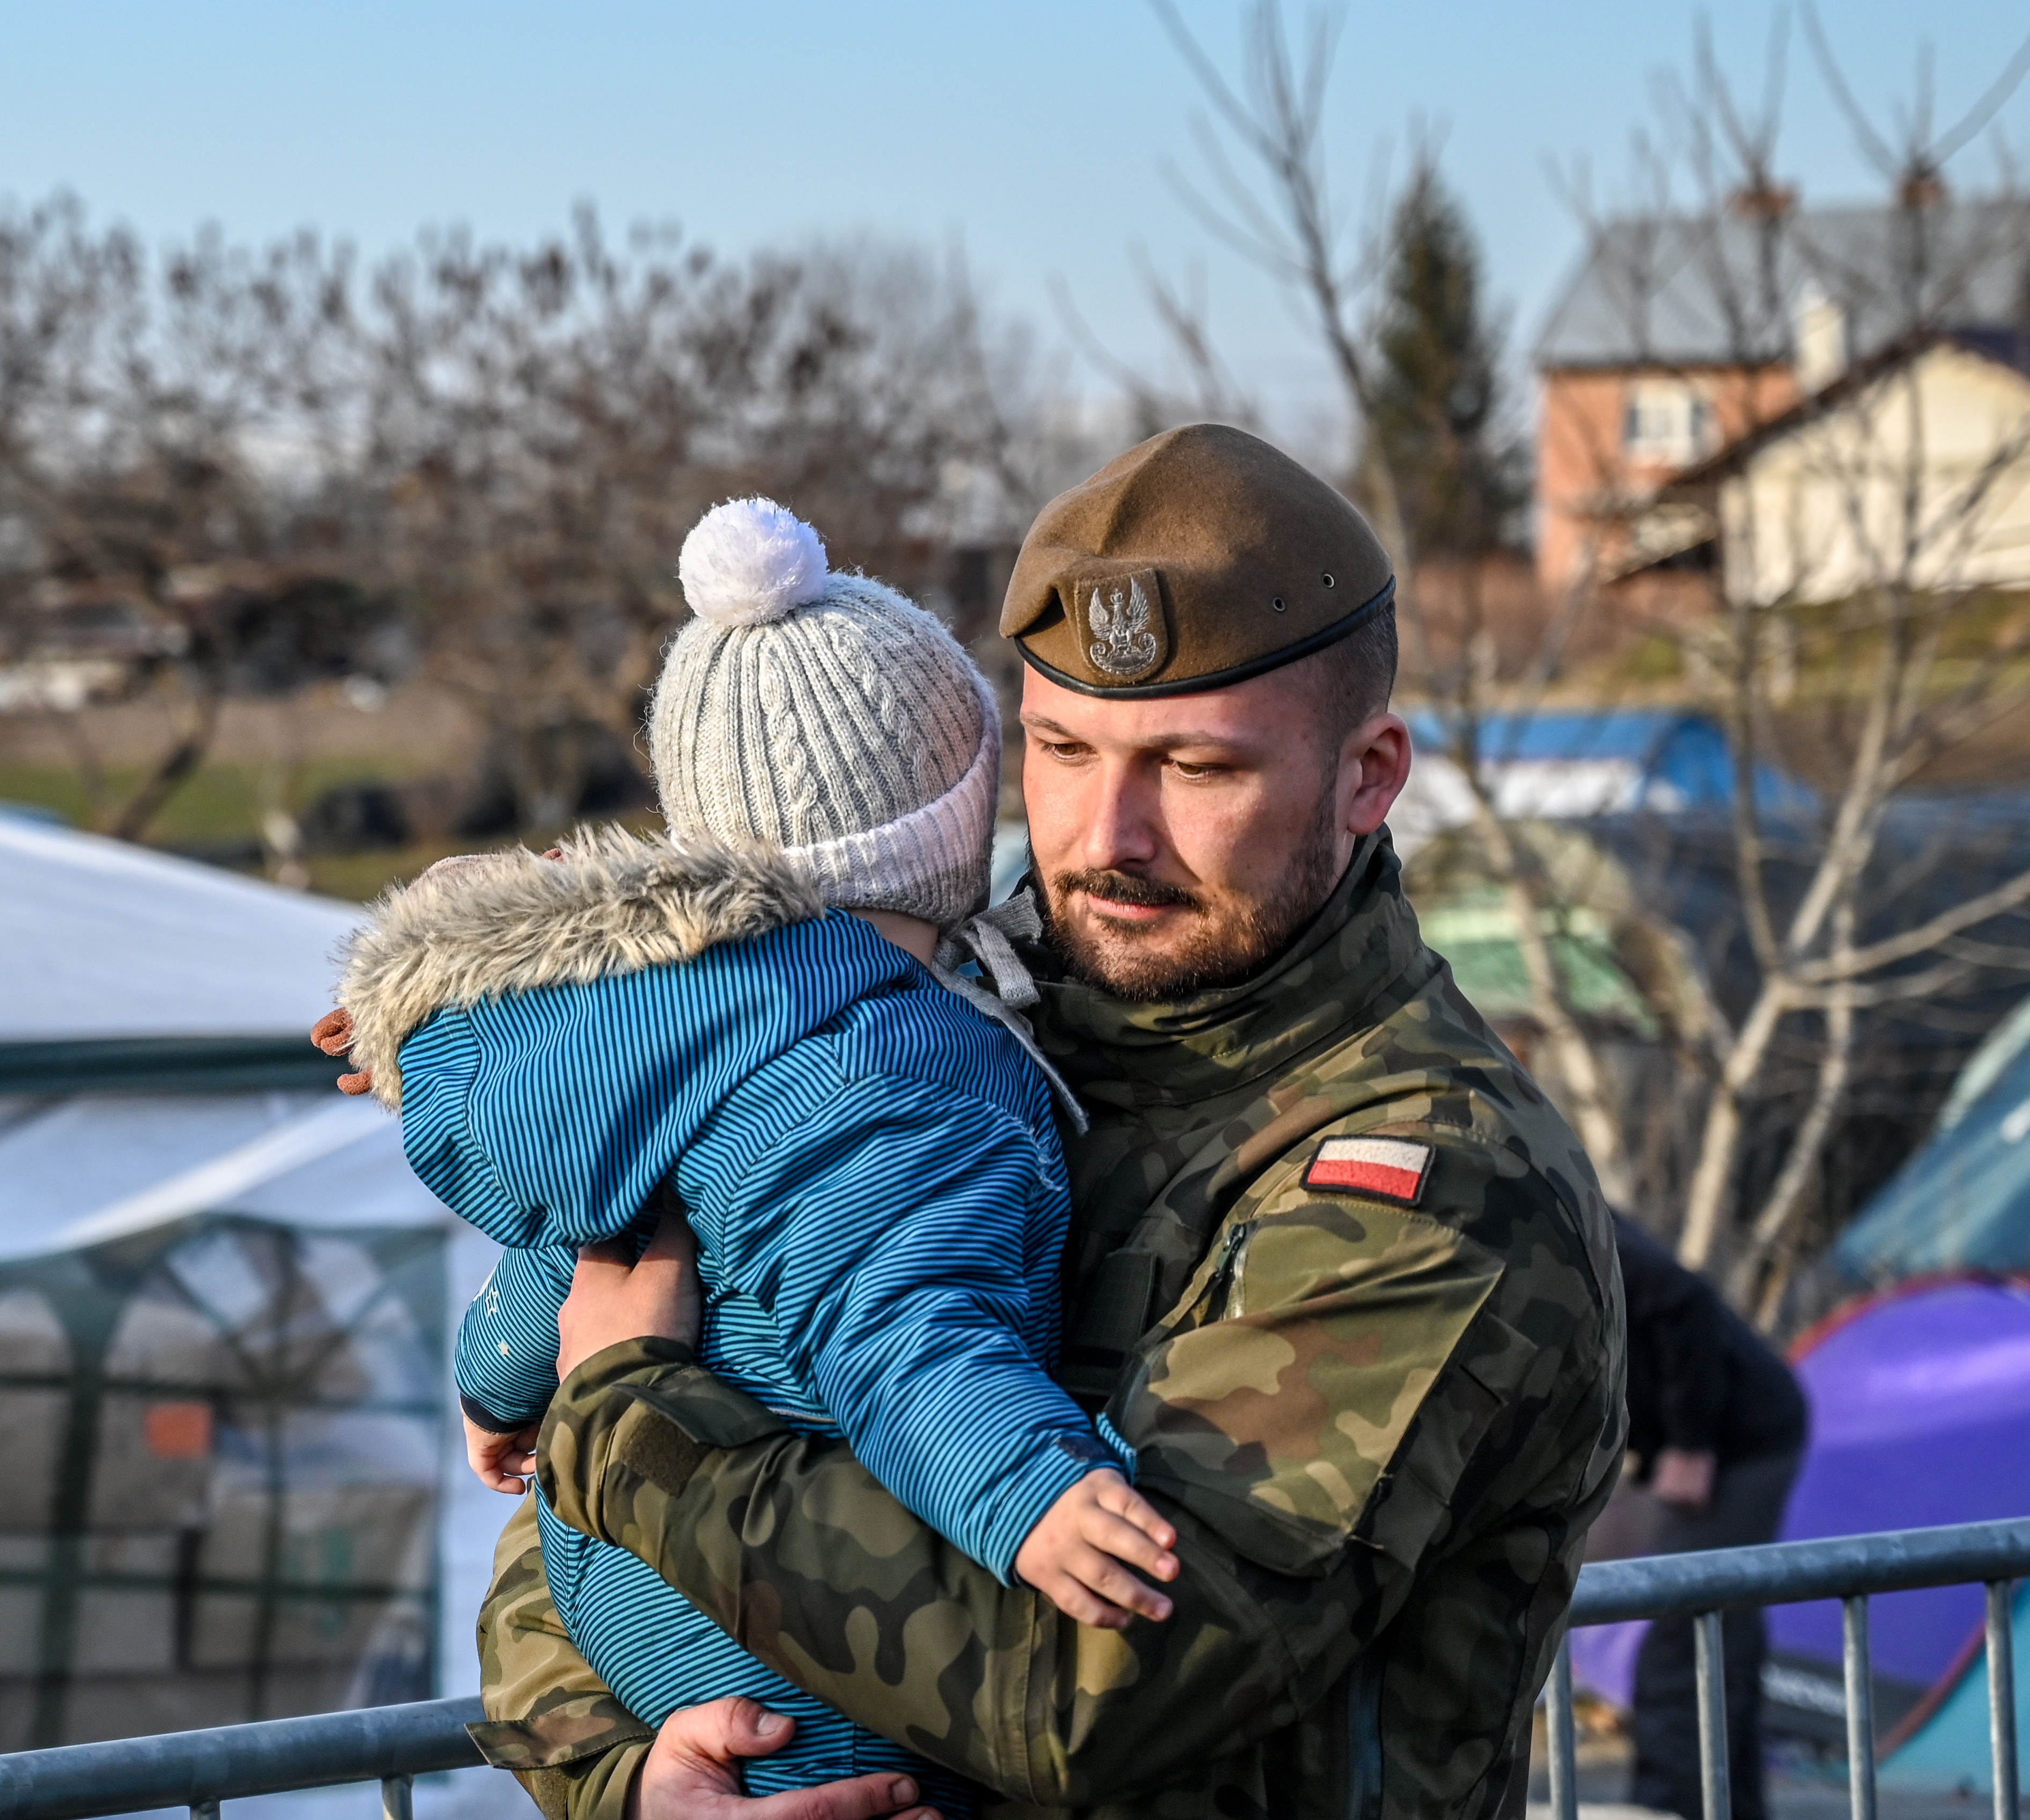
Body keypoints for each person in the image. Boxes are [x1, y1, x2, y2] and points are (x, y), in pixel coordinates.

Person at [471, 424, 1630, 1820]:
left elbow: (1091, 1689)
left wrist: (639, 1426)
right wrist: (634, 1778)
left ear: (1369, 775)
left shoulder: (1428, 1186)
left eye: (1197, 770)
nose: (1103, 834)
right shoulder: (909, 1032)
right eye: (1062, 748)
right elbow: (555, 1526)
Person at [319, 499, 1181, 1820]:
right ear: (955, 824)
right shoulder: (904, 1078)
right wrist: (1034, 1494)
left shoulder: (665, 1055)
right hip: (814, 1682)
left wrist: (496, 1384)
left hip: (649, 1625)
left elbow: (577, 1257)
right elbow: (903, 1327)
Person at [1610, 1212, 1809, 1820]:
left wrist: (1689, 1443)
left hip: (1737, 1442)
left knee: (1683, 1644)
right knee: (1720, 1639)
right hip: (1744, 1431)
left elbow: (1683, 1297)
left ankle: (1671, 1810)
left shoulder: (1563, 1207)